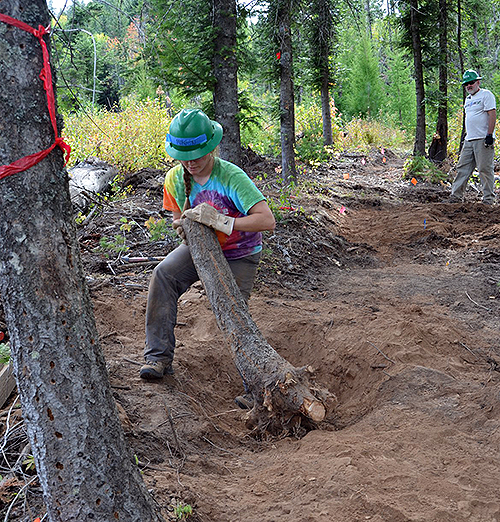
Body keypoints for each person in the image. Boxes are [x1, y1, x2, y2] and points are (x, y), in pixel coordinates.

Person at [140, 109, 275, 405]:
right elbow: (179, 219)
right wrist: (183, 227)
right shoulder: (175, 179)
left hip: (240, 252)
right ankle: (158, 358)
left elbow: (267, 220)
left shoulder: (230, 177)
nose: (191, 162)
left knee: (232, 311)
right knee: (163, 275)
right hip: (201, 249)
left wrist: (225, 222)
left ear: (212, 146)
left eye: (198, 154)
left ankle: (255, 386)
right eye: (184, 156)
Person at [450, 69, 497, 205]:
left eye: (471, 83)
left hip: (483, 139)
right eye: (466, 84)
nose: (468, 86)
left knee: (484, 169)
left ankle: (488, 199)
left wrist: (489, 134)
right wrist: (466, 136)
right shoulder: (468, 99)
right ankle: (456, 196)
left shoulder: (486, 95)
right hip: (469, 139)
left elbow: (492, 114)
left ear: (478, 82)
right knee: (462, 168)